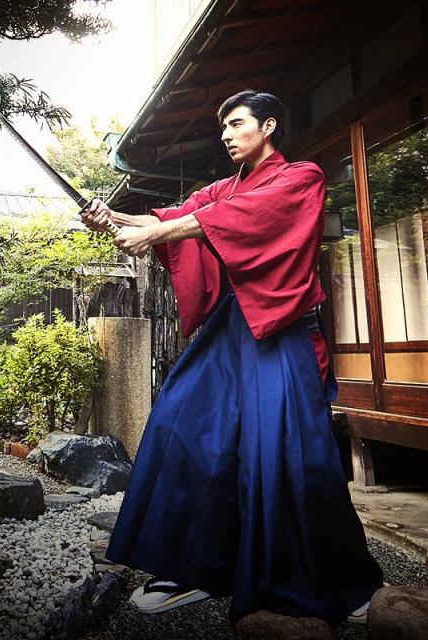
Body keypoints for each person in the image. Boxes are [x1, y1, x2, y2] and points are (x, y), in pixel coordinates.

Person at [81, 90, 383, 626]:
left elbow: (236, 217)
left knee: (289, 452)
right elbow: (180, 216)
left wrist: (156, 231)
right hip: (232, 327)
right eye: (223, 126)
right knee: (184, 424)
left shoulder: (301, 177)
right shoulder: (225, 186)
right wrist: (114, 218)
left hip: (282, 330)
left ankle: (336, 581)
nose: (226, 134)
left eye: (237, 123)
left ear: (268, 126)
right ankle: (194, 566)